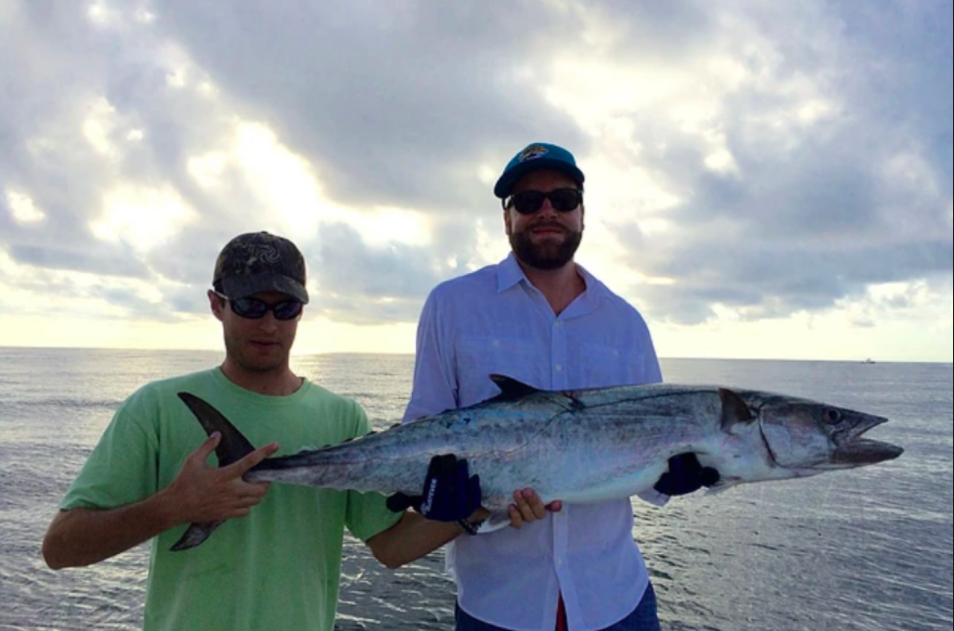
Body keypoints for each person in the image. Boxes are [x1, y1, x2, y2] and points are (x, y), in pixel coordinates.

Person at [41, 231, 501, 631]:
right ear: (216, 304)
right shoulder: (155, 407)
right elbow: (61, 548)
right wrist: (174, 506)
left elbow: (390, 546)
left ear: (302, 310)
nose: (268, 324)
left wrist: (481, 508)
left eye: (285, 308)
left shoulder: (343, 418)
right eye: (249, 305)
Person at [403, 143, 718, 631]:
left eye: (563, 199)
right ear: (506, 218)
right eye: (528, 201)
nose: (546, 210)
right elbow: (422, 434)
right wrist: (446, 495)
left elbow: (655, 453)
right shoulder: (452, 305)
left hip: (617, 600)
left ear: (582, 213)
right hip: (498, 604)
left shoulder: (625, 322)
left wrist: (679, 473)